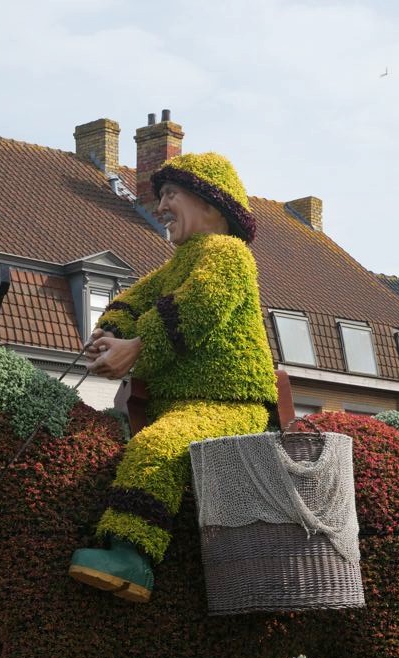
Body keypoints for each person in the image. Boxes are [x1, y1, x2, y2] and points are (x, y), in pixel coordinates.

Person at [69, 152, 277, 602]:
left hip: (226, 406)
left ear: (210, 204)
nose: (160, 206)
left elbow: (197, 305)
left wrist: (136, 347)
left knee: (158, 446)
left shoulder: (228, 255)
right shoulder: (176, 264)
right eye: (160, 196)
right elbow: (132, 300)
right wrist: (111, 333)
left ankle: (131, 559)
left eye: (170, 195)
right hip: (169, 404)